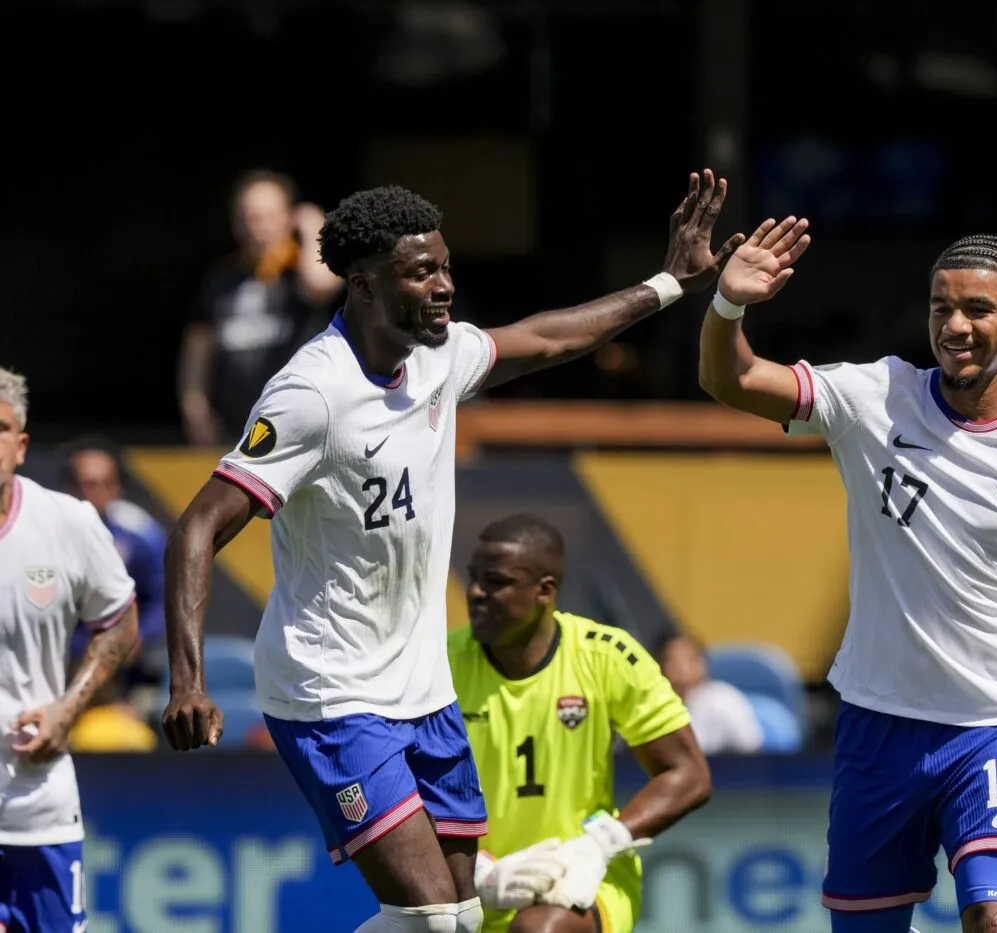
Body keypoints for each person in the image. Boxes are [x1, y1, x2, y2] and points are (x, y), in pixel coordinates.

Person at [161, 171, 744, 933]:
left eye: (445, 265)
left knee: (462, 918)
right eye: (423, 271)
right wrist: (188, 679)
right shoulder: (311, 393)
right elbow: (197, 527)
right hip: (330, 691)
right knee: (435, 918)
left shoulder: (435, 357)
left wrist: (667, 283)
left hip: (422, 687)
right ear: (366, 285)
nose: (445, 285)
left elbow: (550, 336)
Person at [697, 226, 997, 933]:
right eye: (940, 308)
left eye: (977, 310)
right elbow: (729, 378)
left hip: (990, 723)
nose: (955, 326)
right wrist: (729, 307)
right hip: (877, 722)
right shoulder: (872, 395)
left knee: (996, 918)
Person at [447, 514, 711, 933]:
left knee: (539, 931)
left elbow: (688, 774)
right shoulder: (439, 665)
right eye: (474, 578)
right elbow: (401, 788)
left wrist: (598, 845)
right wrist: (477, 873)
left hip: (584, 877)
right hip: (468, 883)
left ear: (545, 591)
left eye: (495, 582)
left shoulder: (608, 656)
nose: (476, 593)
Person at [0, 367, 140, 931]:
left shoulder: (68, 522)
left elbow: (119, 622)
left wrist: (69, 707)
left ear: (22, 444)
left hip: (40, 806)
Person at [178, 169, 343, 446]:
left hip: (301, 429)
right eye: (247, 217)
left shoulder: (299, 271)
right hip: (236, 432)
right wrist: (195, 410)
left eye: (266, 216)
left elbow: (321, 285)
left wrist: (314, 225)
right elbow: (197, 349)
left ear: (289, 218)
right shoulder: (220, 278)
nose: (255, 226)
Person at [59, 437, 167, 682]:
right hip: (61, 662)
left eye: (104, 484)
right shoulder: (45, 534)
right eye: (86, 484)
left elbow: (160, 600)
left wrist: (136, 636)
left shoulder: (140, 535)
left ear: (117, 488)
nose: (95, 493)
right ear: (69, 487)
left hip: (125, 667)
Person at [657, 632, 764, 755]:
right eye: (671, 661)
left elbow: (751, 750)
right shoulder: (659, 705)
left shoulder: (724, 700)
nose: (679, 668)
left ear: (701, 664)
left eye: (686, 660)